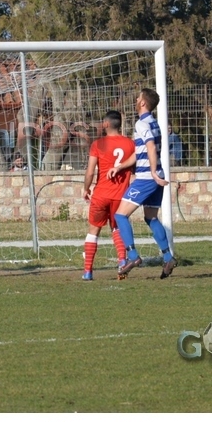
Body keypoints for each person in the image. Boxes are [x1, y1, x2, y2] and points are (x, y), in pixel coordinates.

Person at [111, 88, 177, 279]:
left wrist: (153, 172)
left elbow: (150, 146)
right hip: (155, 177)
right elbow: (141, 151)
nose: (136, 99)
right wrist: (121, 166)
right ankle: (168, 257)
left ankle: (132, 256)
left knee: (120, 215)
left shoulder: (141, 123)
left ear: (143, 103)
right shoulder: (154, 123)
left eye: (138, 97)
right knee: (151, 218)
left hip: (147, 178)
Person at [81, 110, 136, 281]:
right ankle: (122, 261)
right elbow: (134, 169)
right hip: (120, 196)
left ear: (105, 124)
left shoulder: (98, 144)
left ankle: (88, 271)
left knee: (93, 231)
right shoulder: (130, 144)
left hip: (101, 195)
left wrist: (86, 188)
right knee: (117, 228)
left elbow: (90, 172)